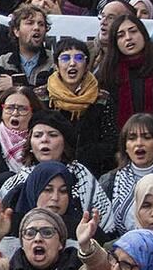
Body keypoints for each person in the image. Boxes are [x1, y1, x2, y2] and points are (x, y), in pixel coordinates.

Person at [40, 38, 116, 171]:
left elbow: (110, 142)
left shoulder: (101, 98)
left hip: (91, 169)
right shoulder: (42, 96)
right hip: (50, 167)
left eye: (79, 58)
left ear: (87, 65)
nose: (72, 63)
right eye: (65, 58)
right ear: (56, 65)